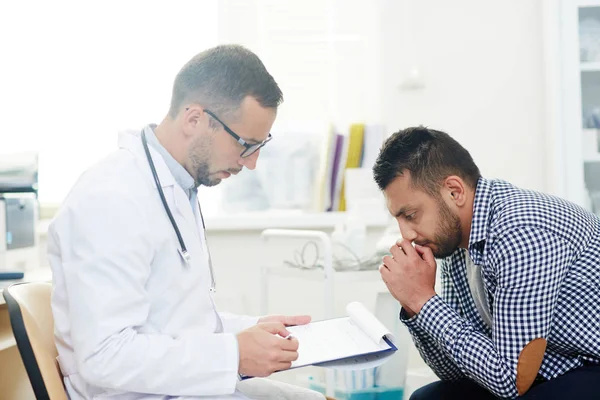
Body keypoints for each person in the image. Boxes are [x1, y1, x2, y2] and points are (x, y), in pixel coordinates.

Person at [48, 45, 325, 399]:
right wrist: (236, 354)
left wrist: (254, 331)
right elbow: (104, 356)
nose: (250, 164)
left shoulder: (178, 187)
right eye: (245, 145)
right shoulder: (110, 198)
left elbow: (178, 322)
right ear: (194, 119)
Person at [373, 126, 600, 399]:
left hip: (587, 364)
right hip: (541, 370)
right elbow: (454, 371)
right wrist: (414, 305)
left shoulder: (521, 232)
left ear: (455, 192)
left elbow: (509, 380)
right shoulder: (453, 241)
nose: (406, 234)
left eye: (411, 215)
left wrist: (423, 300)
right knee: (428, 398)